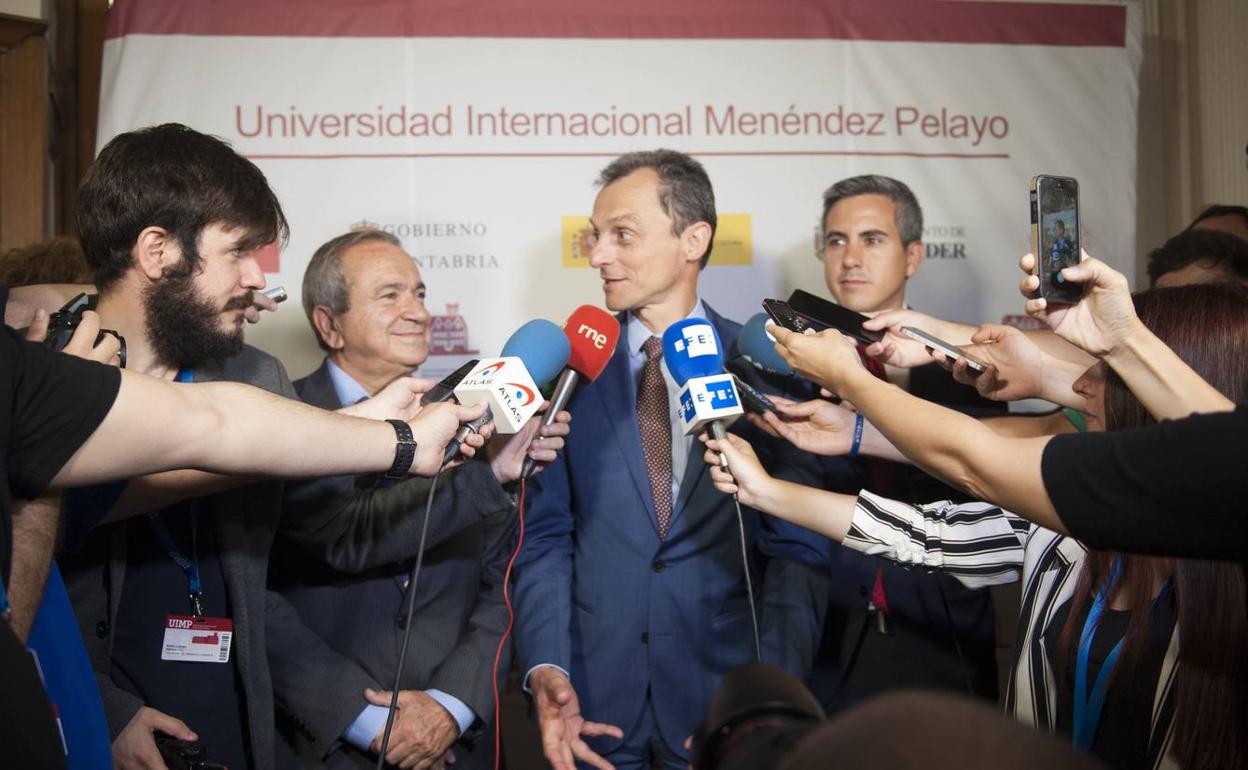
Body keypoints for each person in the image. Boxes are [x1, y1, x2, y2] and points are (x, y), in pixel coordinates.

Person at [53, 123, 489, 770]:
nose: (259, 279)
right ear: (157, 251)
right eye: (237, 252)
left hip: (241, 718)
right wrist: (105, 710)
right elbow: (35, 563)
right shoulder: (49, 371)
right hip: (98, 717)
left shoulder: (258, 377)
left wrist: (384, 430)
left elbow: (318, 528)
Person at [709, 282, 1248, 770]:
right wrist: (768, 490)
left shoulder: (1226, 566)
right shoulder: (1066, 531)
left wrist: (849, 378)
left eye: (1108, 372)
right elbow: (930, 535)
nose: (1080, 389)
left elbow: (978, 460)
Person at [510, 150, 830, 770]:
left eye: (621, 235)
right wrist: (546, 666)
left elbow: (798, 551)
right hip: (592, 710)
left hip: (728, 708)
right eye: (594, 237)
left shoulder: (764, 370)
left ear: (694, 239)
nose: (598, 255)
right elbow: (546, 539)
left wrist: (773, 699)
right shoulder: (567, 374)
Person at [270, 229, 563, 770]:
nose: (418, 312)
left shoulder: (478, 414)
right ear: (329, 324)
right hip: (321, 742)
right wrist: (362, 720)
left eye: (421, 294)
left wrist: (451, 705)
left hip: (452, 741)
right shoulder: (280, 421)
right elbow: (253, 595)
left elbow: (502, 582)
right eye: (391, 295)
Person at [809, 174, 1002, 707]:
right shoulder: (787, 360)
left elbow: (989, 492)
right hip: (826, 636)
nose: (850, 258)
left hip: (941, 630)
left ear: (912, 255)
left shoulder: (968, 365)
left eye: (872, 240)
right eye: (836, 240)